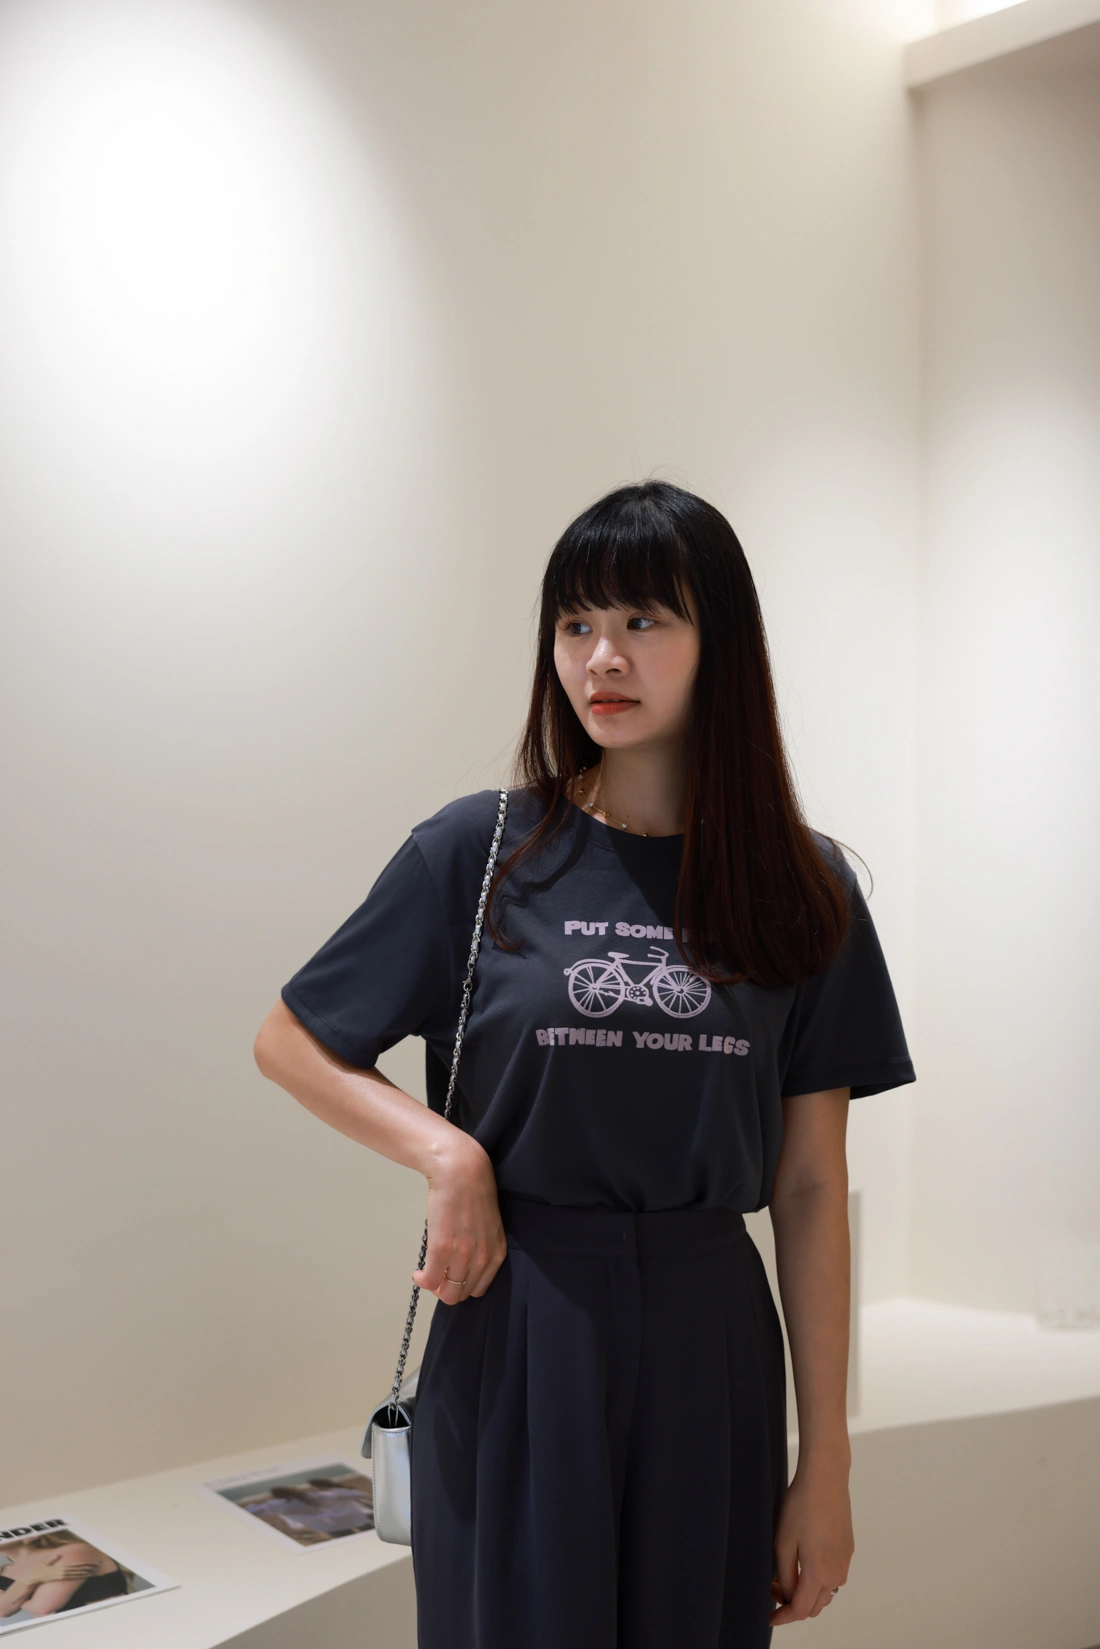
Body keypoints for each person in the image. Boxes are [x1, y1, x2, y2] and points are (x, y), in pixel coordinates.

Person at [254, 479, 915, 1648]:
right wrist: (446, 1153)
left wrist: (826, 1464)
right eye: (575, 622)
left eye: (642, 619)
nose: (600, 656)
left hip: (710, 1332)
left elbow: (810, 1184)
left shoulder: (804, 886)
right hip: (520, 1318)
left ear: (720, 642)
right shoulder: (479, 850)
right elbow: (291, 1037)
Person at [0, 1531, 129, 1619]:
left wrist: (13, 1598)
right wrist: (29, 1579)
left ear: (31, 1535)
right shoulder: (4, 1571)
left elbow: (41, 1607)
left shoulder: (74, 1551)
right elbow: (3, 1611)